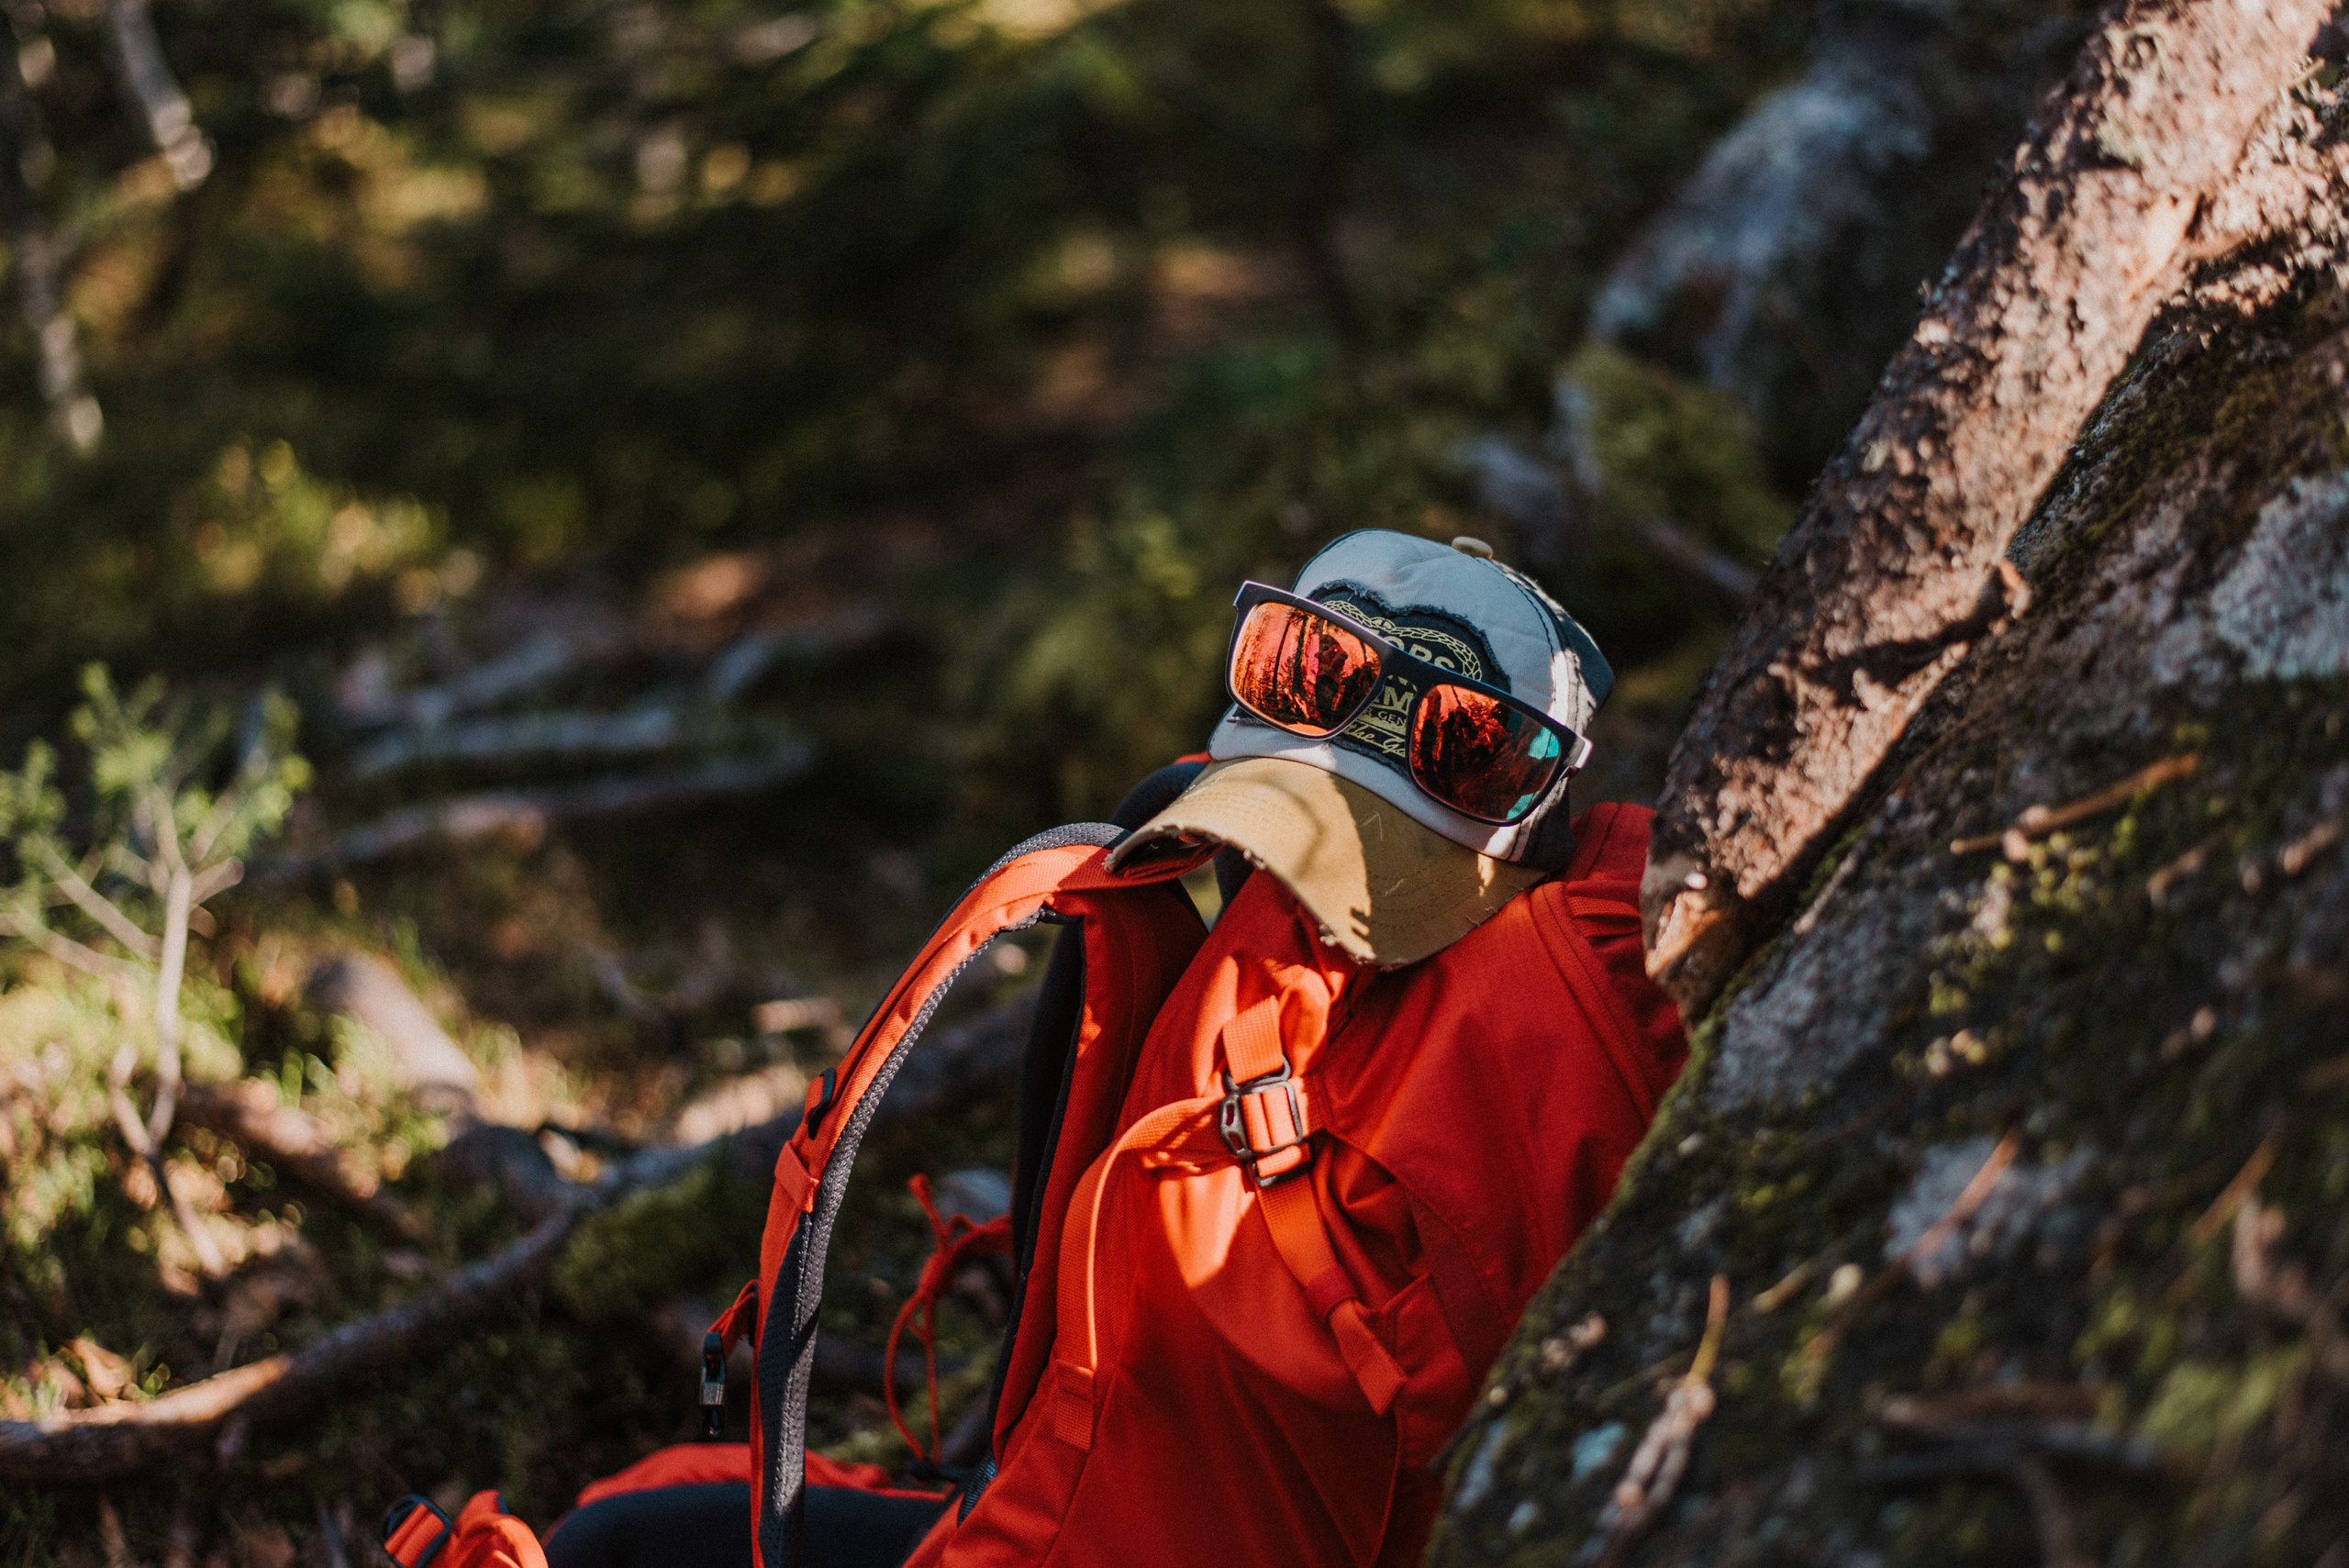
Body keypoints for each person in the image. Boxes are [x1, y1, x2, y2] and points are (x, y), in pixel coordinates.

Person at [391, 528, 1685, 1568]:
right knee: (633, 1531)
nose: (1283, 890)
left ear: (1527, 812)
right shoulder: (1201, 919)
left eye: (1459, 746)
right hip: (1051, 1500)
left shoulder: (1556, 1007)